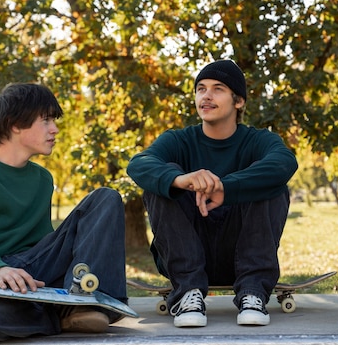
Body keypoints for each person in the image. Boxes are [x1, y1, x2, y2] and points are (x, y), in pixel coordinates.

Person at [0, 83, 128, 345]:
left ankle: (85, 301)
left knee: (105, 197)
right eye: (45, 121)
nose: (54, 129)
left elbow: (42, 245)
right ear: (14, 124)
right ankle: (63, 316)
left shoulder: (42, 179)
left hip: (31, 273)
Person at [127, 59, 298, 328]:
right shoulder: (179, 140)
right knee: (163, 178)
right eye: (201, 89)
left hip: (242, 253)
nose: (206, 96)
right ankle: (187, 295)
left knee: (272, 181)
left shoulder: (258, 141)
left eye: (218, 89)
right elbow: (138, 164)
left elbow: (284, 163)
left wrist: (225, 187)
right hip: (186, 252)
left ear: (238, 101)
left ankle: (253, 292)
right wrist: (181, 179)